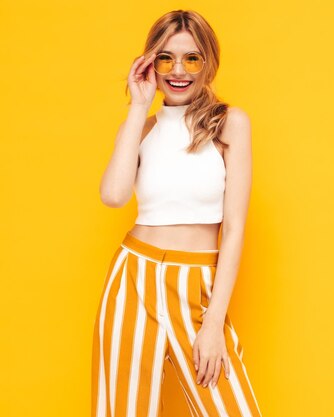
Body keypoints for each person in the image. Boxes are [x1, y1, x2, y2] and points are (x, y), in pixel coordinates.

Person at [91, 10, 262, 417]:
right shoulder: (143, 128)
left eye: (192, 58)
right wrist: (138, 105)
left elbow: (235, 228)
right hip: (132, 281)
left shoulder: (229, 124)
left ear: (209, 62)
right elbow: (114, 196)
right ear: (151, 63)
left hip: (199, 287)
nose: (179, 70)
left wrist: (214, 321)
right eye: (166, 58)